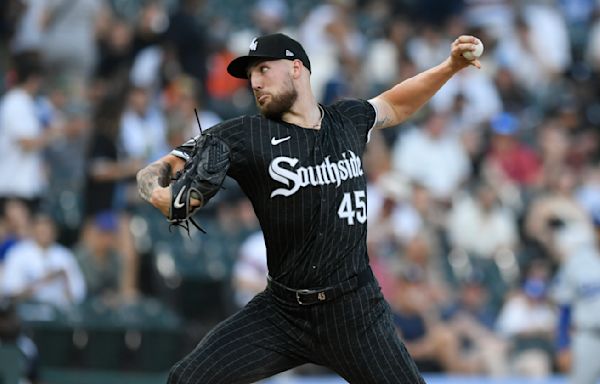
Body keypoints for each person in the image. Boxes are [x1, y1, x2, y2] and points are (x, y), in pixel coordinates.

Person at [137, 32, 482, 383]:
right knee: (186, 380)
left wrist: (450, 66)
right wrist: (157, 191)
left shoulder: (346, 120)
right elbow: (162, 167)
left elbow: (395, 104)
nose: (255, 82)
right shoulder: (243, 135)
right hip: (282, 311)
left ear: (296, 68)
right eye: (251, 75)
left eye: (264, 69)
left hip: (354, 310)